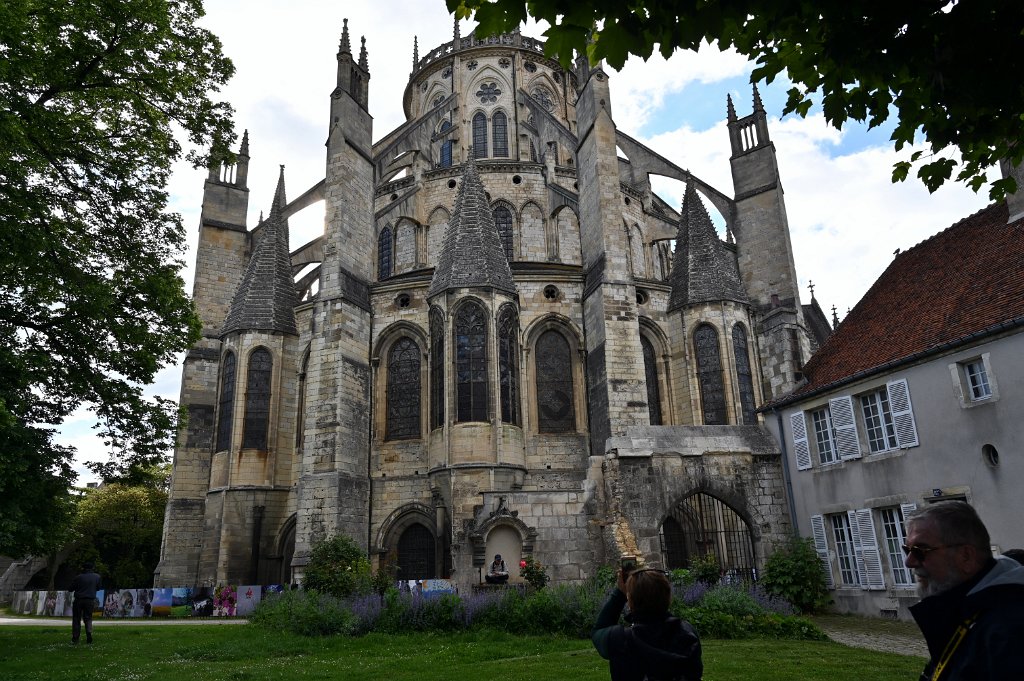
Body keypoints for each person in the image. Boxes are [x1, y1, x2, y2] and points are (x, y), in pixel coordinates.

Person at [904, 501, 1024, 680]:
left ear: (966, 556)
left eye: (920, 551)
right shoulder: (963, 606)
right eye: (907, 550)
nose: (909, 562)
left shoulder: (1010, 631)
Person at [592, 567, 702, 681]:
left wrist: (620, 594)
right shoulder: (687, 632)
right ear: (669, 597)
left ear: (630, 601)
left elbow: (599, 630)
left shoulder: (620, 639)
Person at [68, 562, 102, 644]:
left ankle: (75, 638)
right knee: (88, 618)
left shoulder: (78, 577)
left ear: (83, 568)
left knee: (76, 619)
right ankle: (89, 633)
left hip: (78, 600)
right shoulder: (97, 577)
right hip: (90, 600)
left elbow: (70, 589)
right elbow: (98, 588)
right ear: (92, 568)